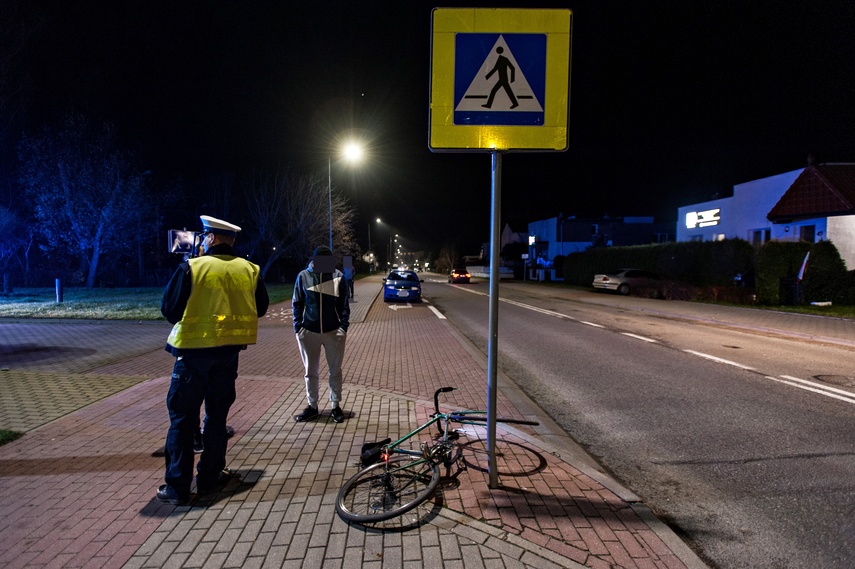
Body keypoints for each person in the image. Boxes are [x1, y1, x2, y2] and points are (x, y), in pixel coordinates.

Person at [157, 215, 269, 505]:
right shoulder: (250, 270)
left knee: (182, 419)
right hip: (228, 356)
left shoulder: (193, 267)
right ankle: (210, 476)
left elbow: (169, 309)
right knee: (217, 417)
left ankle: (178, 486)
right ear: (231, 241)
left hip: (192, 356)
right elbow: (261, 308)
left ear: (211, 238)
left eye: (205, 237)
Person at [292, 245, 350, 423]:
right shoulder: (304, 276)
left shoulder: (338, 277)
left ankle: (335, 406)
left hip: (334, 332)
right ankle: (312, 406)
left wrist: (343, 327)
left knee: (335, 371)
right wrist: (298, 328)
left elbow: (344, 304)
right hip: (309, 331)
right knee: (311, 371)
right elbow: (297, 303)